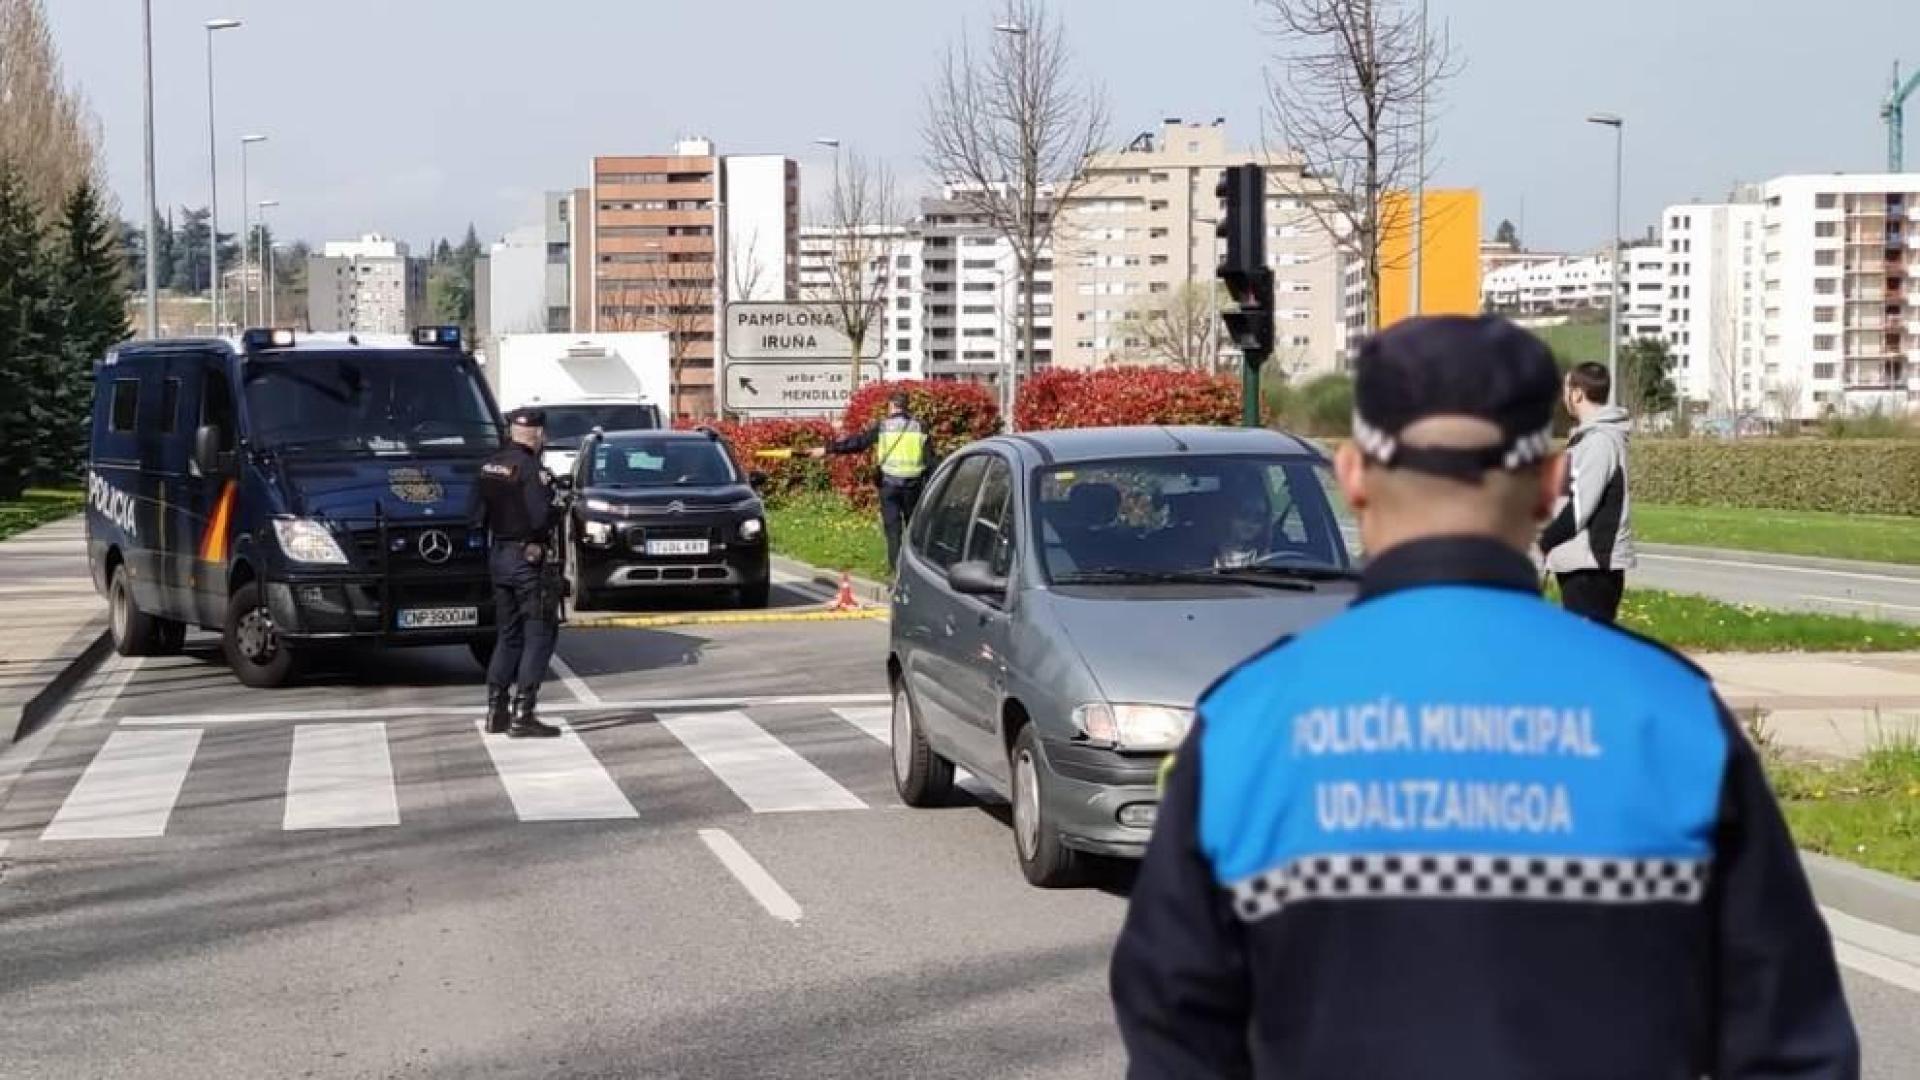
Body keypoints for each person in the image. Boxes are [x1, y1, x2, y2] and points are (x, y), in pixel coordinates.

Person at [1110, 315, 1857, 1080]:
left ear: (1354, 476)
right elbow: (1792, 1046)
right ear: (1550, 484)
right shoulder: (1672, 716)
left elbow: (1175, 1040)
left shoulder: (1247, 722)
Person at [470, 407, 563, 739]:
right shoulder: (531, 468)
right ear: (538, 435)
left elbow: (475, 515)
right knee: (540, 633)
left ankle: (496, 710)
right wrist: (556, 509)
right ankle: (524, 713)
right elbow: (539, 518)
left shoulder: (488, 466)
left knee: (508, 635)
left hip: (499, 557)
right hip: (528, 559)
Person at [1540, 361, 1635, 624]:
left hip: (1591, 568)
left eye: (1566, 390)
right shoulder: (1586, 439)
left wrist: (1545, 542)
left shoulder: (1599, 442)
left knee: (1589, 643)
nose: (1564, 397)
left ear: (1577, 394)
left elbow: (1581, 507)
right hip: (1579, 564)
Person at [810, 391, 930, 572]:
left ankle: (897, 571)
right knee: (914, 529)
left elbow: (858, 443)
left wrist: (828, 449)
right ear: (907, 406)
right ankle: (917, 569)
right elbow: (930, 460)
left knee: (893, 530)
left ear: (891, 406)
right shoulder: (920, 427)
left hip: (889, 484)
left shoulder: (883, 427)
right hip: (913, 485)